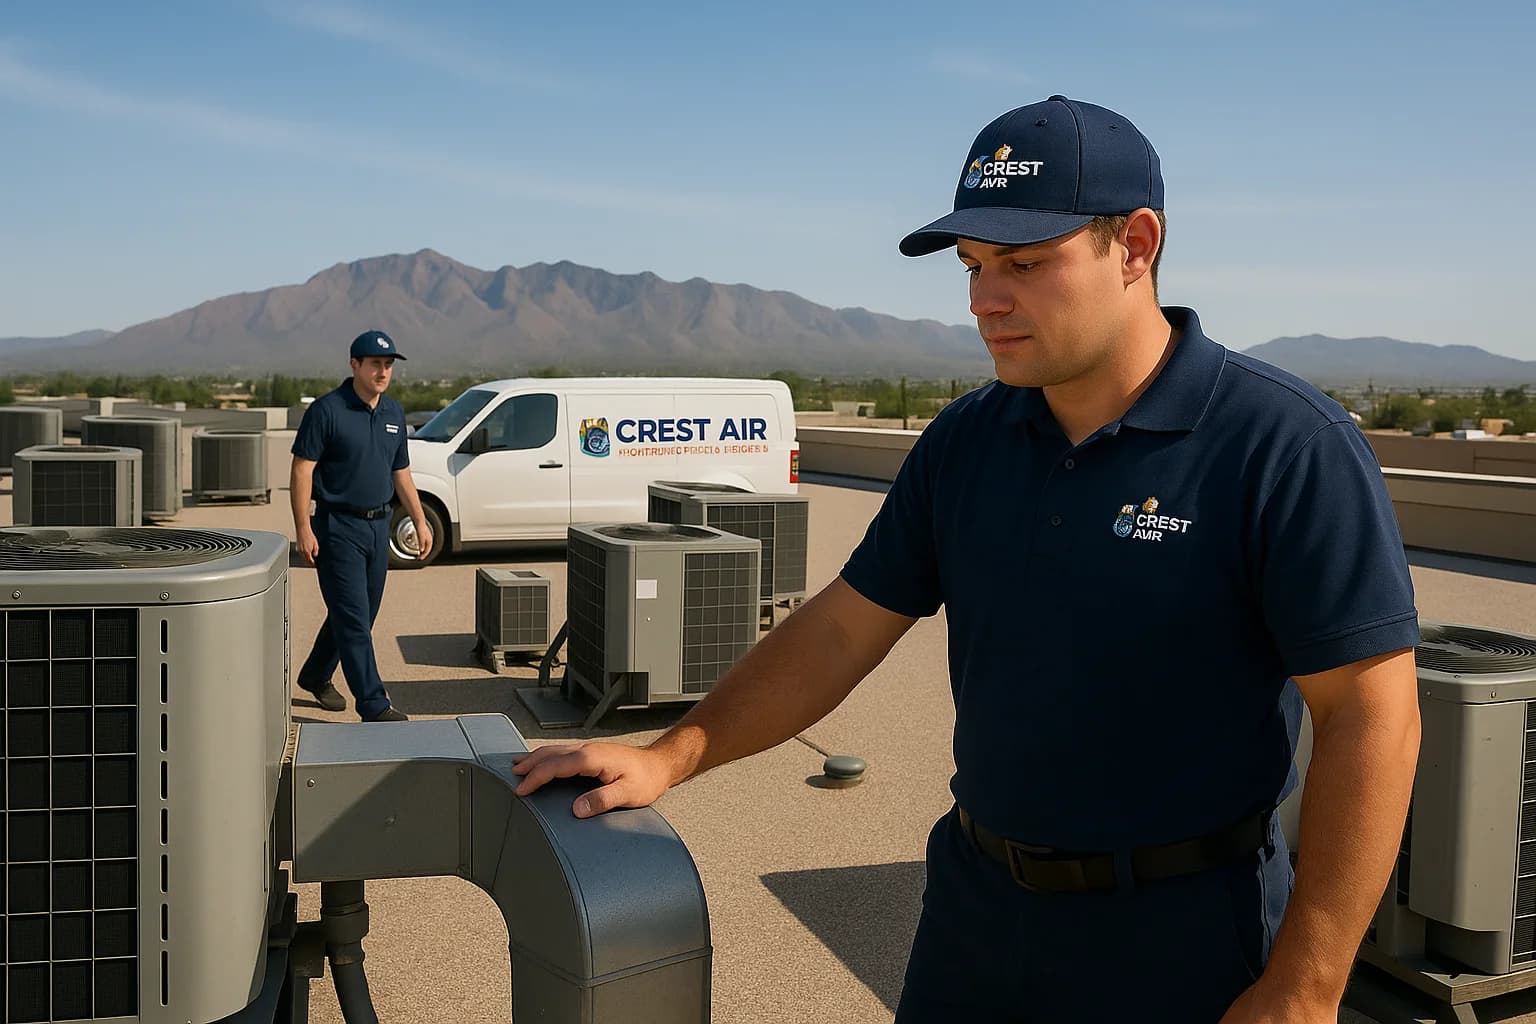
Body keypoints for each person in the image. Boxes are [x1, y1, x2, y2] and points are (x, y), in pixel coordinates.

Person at [511, 95, 1422, 1022]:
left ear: (1136, 245)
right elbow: (838, 631)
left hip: (1181, 937)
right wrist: (672, 754)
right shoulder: (968, 441)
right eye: (975, 266)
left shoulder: (1281, 445)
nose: (985, 299)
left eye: (1025, 264)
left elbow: (1369, 717)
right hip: (975, 919)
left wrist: (1306, 989)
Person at [290, 329, 433, 723]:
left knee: (358, 614)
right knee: (353, 618)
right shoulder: (327, 410)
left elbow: (400, 470)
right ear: (355, 364)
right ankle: (373, 704)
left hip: (378, 527)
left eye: (388, 365)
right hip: (337, 527)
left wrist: (419, 520)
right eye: (375, 364)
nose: (383, 372)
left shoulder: (393, 413)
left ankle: (316, 674)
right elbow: (302, 470)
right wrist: (304, 527)